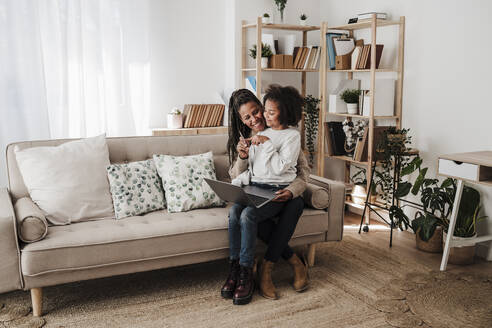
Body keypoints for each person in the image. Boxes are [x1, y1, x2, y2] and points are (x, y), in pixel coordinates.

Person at [221, 85, 309, 305]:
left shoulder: (287, 135)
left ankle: (266, 269)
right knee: (239, 214)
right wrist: (243, 155)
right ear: (242, 121)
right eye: (247, 117)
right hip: (258, 189)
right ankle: (249, 268)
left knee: (294, 204)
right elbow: (240, 173)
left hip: (283, 190)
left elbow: (302, 172)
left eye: (256, 112)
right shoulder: (249, 137)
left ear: (264, 106)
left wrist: (290, 191)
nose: (254, 119)